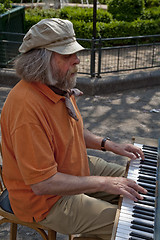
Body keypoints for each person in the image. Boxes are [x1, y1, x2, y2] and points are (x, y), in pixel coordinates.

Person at [0, 18, 147, 240]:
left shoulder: (55, 84)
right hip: (46, 200)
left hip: (71, 168)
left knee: (140, 187)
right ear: (43, 60)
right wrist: (105, 183)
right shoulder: (26, 108)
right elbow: (43, 184)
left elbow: (72, 130)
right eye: (67, 55)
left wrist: (109, 145)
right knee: (127, 227)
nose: (77, 60)